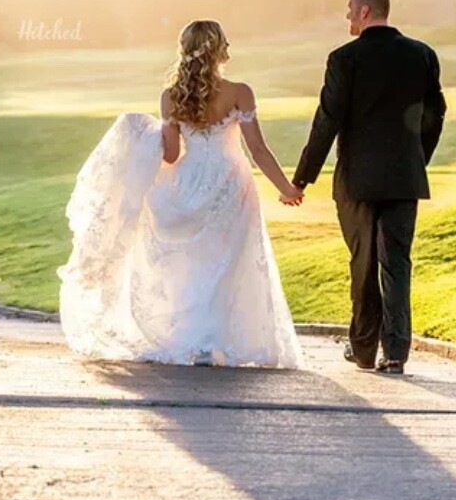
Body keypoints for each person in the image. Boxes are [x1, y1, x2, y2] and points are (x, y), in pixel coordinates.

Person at [58, 20, 305, 369]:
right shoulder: (240, 92)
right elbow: (258, 150)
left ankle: (197, 342)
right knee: (228, 263)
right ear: (218, 49)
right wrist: (286, 188)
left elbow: (172, 155)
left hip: (189, 182)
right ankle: (219, 341)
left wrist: (144, 138)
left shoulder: (171, 97)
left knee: (196, 264)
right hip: (230, 183)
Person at [292, 0, 446, 375]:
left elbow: (327, 120)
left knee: (362, 263)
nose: (346, 16)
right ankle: (395, 352)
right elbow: (435, 114)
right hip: (404, 179)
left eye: (349, 9)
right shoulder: (422, 55)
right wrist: (417, 159)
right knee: (397, 263)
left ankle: (363, 349)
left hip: (357, 181)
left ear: (364, 11)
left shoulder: (344, 59)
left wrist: (303, 178)